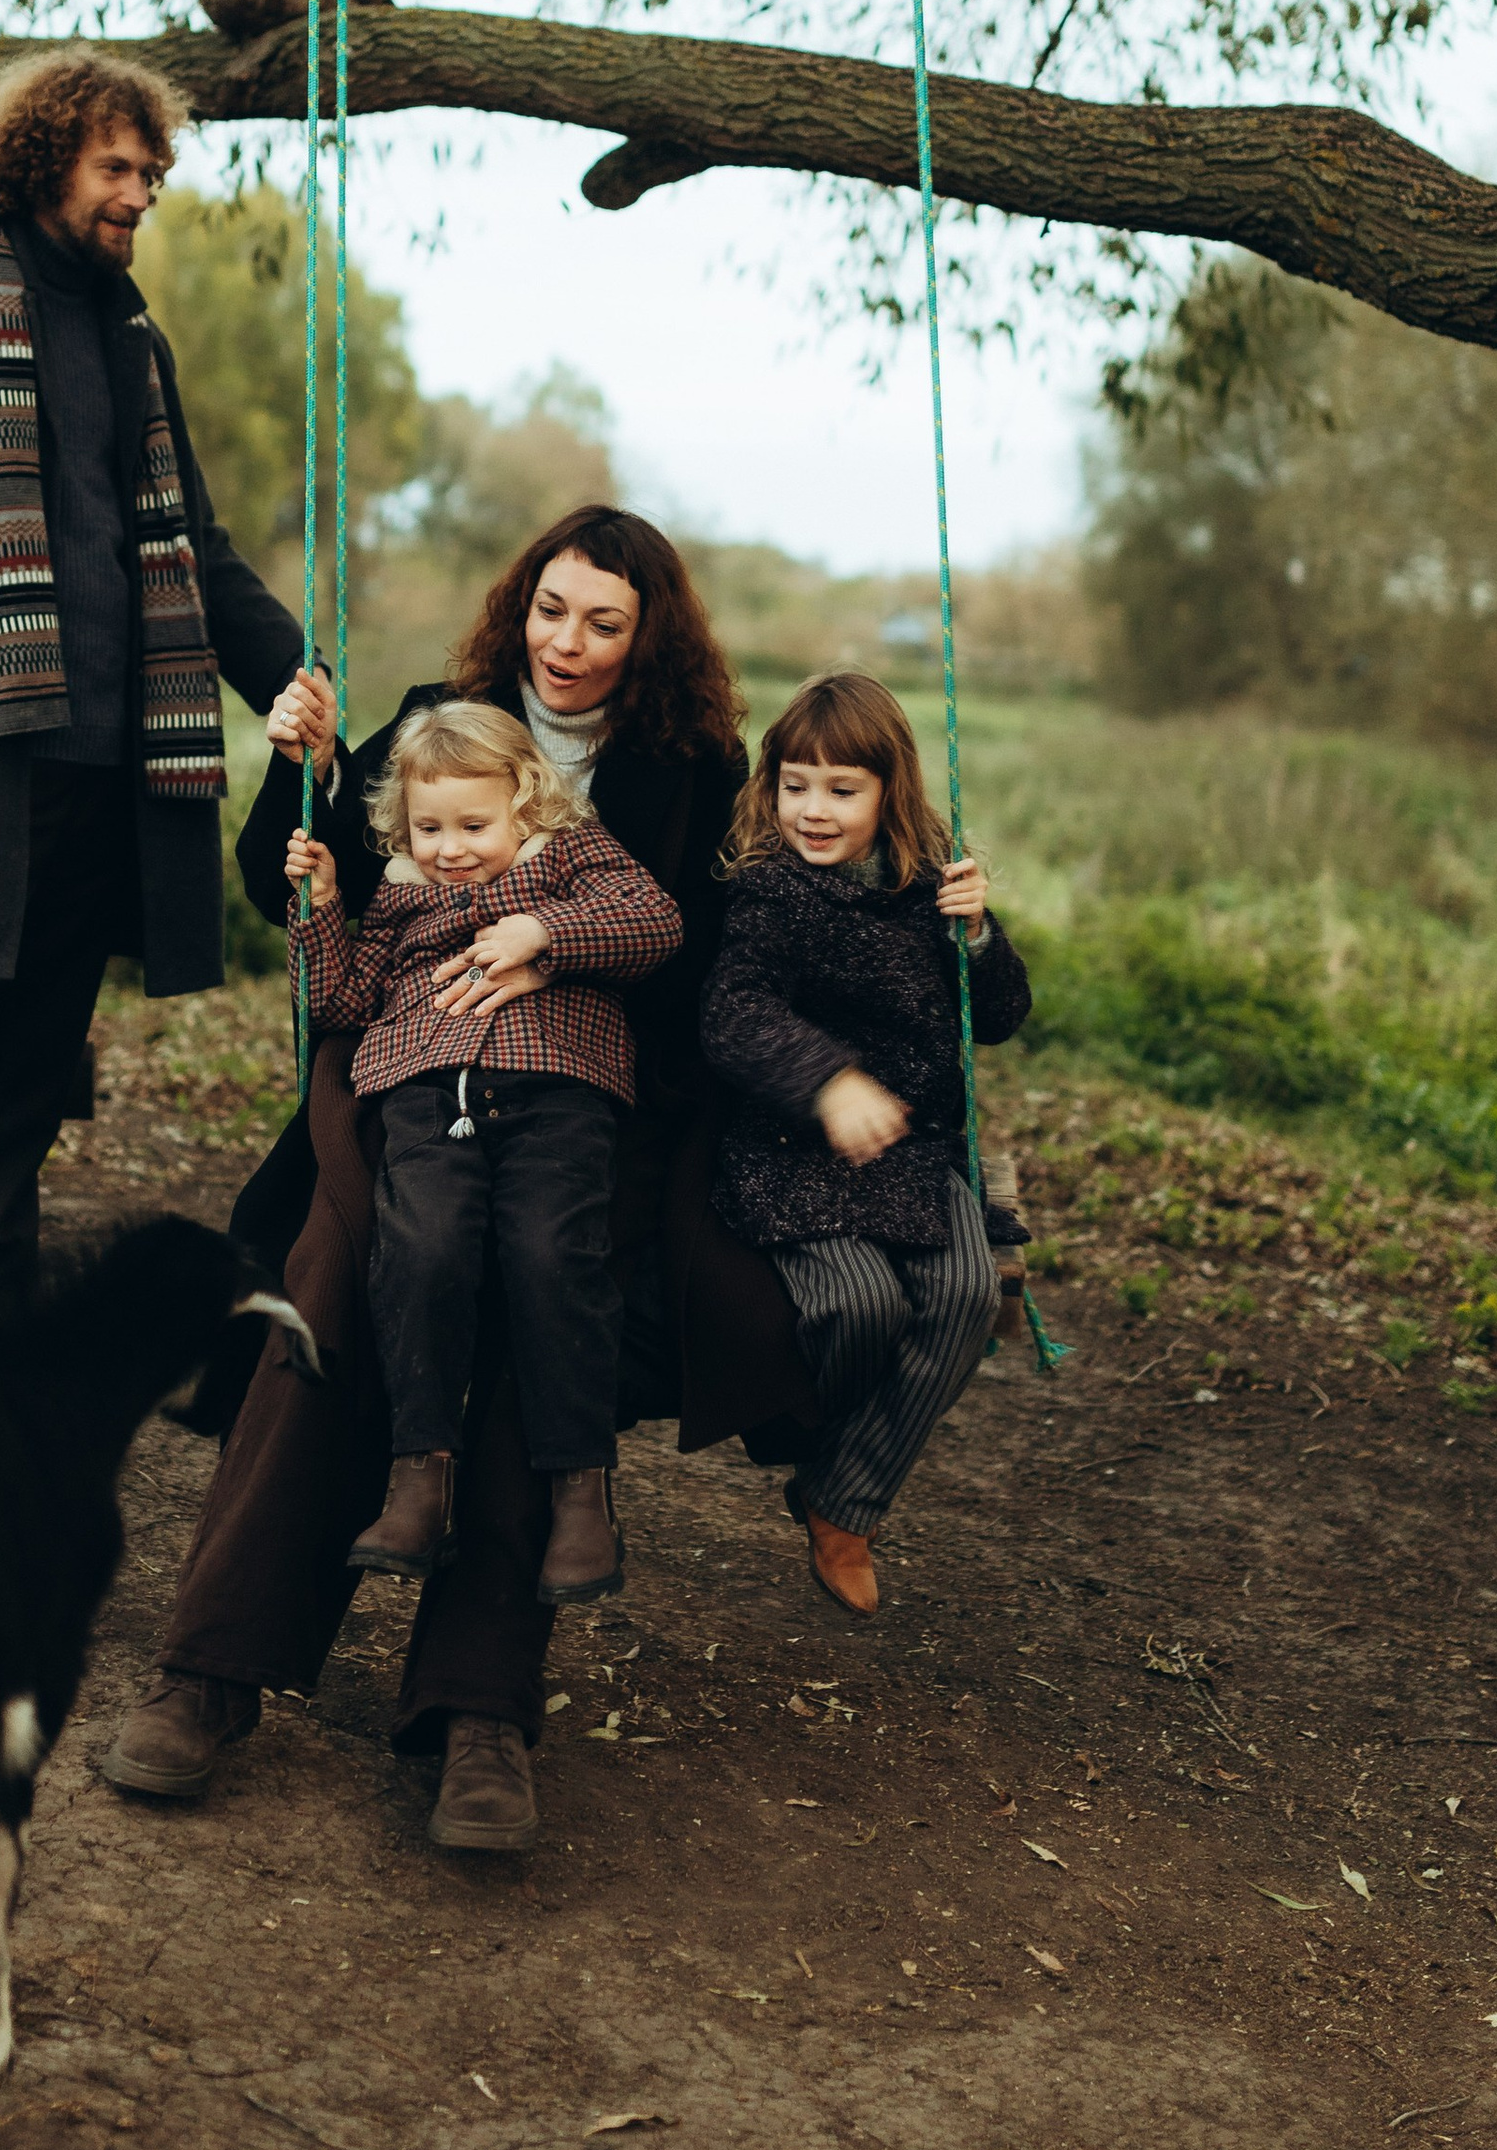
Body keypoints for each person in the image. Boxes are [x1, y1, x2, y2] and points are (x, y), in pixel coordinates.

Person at [98, 505, 817, 1849]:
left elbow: (699, 949)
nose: (571, 644)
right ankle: (215, 1664)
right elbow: (298, 883)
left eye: (606, 621)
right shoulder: (444, 712)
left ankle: (479, 1707)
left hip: (587, 1097)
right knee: (335, 1276)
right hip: (405, 1075)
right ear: (519, 603)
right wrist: (292, 771)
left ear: (648, 634)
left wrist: (556, 946)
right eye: (553, 609)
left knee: (547, 1290)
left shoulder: (686, 765)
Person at [0, 46, 304, 1319]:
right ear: (41, 162)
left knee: (23, 1090)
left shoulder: (134, 339)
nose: (141, 191)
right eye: (115, 166)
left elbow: (195, 544)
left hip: (99, 781)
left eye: (153, 170)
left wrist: (301, 676)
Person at [286, 700, 685, 1599]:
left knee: (554, 1255)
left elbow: (656, 922)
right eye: (429, 826)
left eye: (474, 824)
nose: (451, 847)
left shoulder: (574, 854)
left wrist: (544, 931)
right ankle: (419, 1474)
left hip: (559, 1086)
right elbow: (342, 1004)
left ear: (526, 805)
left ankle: (581, 1492)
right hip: (429, 1092)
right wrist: (319, 912)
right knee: (420, 1249)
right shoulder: (398, 893)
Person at [700, 669, 1032, 1620]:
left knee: (967, 1296)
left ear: (890, 790)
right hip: (791, 1146)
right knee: (858, 1305)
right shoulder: (767, 892)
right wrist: (828, 1081)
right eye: (795, 783)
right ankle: (819, 1449)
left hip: (915, 1152)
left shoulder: (932, 886)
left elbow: (1000, 1017)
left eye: (841, 789)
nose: (813, 808)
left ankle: (842, 1501)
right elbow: (735, 1014)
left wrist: (977, 940)